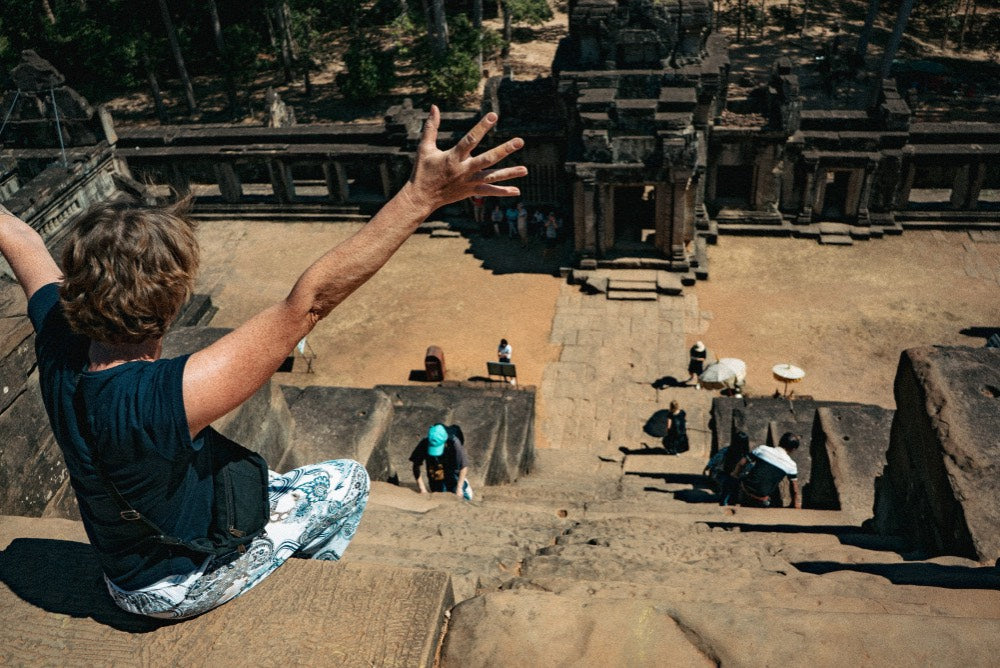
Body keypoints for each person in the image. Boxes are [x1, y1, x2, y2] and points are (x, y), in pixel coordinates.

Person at [0, 106, 525, 619]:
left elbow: (21, 238)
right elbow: (310, 303)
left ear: (77, 281)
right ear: (173, 300)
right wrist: (419, 197)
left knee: (265, 478)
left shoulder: (56, 334)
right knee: (346, 481)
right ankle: (299, 590)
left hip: (122, 566)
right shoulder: (167, 394)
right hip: (176, 585)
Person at [731, 432, 802, 509]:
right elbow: (794, 489)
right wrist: (795, 504)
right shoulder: (791, 465)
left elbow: (742, 463)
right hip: (760, 498)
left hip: (745, 490)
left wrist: (735, 475)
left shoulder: (763, 449)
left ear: (780, 441)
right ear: (793, 449)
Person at [410, 424, 471, 499]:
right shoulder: (425, 442)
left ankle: (464, 485)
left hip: (451, 461)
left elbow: (463, 467)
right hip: (435, 466)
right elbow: (416, 465)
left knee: (459, 493)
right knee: (439, 491)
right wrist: (422, 489)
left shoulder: (455, 443)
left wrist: (459, 488)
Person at [717, 431, 750, 506]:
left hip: (728, 474)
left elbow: (718, 459)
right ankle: (732, 502)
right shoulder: (746, 455)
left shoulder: (728, 450)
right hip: (739, 476)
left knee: (727, 490)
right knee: (735, 490)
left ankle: (724, 503)